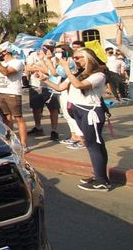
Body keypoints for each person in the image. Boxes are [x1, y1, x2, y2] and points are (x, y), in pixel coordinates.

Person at [40, 48, 111, 191]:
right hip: (78, 110)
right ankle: (99, 174)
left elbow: (79, 85)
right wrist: (45, 80)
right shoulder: (77, 73)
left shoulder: (99, 75)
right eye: (75, 57)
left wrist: (66, 68)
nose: (75, 60)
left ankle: (102, 180)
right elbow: (60, 87)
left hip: (90, 112)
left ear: (88, 58)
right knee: (92, 144)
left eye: (78, 57)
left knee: (93, 144)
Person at [0, 45, 28, 150]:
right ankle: (11, 140)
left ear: (6, 52)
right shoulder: (1, 63)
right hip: (1, 92)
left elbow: (6, 72)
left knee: (18, 118)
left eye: (0, 52)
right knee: (7, 117)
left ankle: (23, 144)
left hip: (12, 93)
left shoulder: (16, 62)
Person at [25, 43, 61, 141]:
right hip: (35, 85)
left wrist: (37, 67)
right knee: (36, 108)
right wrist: (42, 69)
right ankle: (38, 127)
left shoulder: (55, 57)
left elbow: (50, 71)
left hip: (50, 86)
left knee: (53, 109)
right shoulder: (33, 55)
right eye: (45, 47)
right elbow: (27, 68)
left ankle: (54, 130)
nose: (47, 49)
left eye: (50, 48)